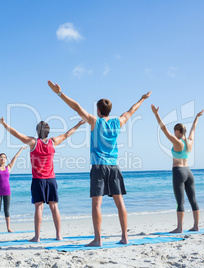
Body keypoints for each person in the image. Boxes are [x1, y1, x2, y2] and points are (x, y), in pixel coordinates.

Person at [47, 80, 151, 246]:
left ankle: (98, 239)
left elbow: (76, 107)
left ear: (98, 110)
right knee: (120, 203)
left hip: (98, 167)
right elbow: (132, 110)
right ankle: (125, 237)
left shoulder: (95, 122)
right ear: (109, 110)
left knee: (97, 203)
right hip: (114, 167)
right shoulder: (119, 122)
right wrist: (142, 99)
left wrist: (59, 93)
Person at [0, 115, 85, 242]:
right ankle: (59, 235)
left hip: (38, 180)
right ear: (48, 132)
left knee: (39, 207)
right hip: (51, 180)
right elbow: (67, 134)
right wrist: (78, 125)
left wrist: (4, 124)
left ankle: (37, 237)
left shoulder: (33, 142)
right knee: (54, 207)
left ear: (37, 131)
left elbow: (16, 134)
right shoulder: (53, 141)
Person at [151, 105, 204, 233]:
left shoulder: (177, 142)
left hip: (178, 171)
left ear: (179, 131)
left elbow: (163, 129)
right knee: (193, 200)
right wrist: (197, 117)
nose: (174, 132)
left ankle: (180, 228)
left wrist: (156, 114)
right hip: (189, 172)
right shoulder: (189, 141)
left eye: (175, 131)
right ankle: (196, 226)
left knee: (180, 201)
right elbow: (193, 129)